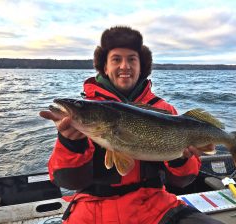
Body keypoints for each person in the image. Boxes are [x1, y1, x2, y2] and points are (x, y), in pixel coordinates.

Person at [40, 26, 224, 224]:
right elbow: (67, 181)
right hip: (92, 210)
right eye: (116, 59)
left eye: (132, 59)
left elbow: (183, 181)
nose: (124, 66)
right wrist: (71, 144)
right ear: (105, 67)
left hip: (155, 207)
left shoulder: (164, 110)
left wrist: (180, 160)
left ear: (141, 65)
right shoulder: (83, 118)